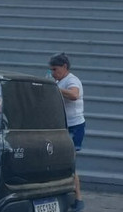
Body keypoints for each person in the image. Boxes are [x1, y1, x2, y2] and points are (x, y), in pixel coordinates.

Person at [48, 53, 85, 212]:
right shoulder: (57, 80)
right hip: (61, 125)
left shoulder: (72, 80)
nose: (53, 73)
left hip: (74, 127)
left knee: (70, 164)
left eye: (55, 69)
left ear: (64, 67)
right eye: (51, 70)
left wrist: (55, 87)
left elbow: (74, 95)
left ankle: (78, 199)